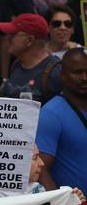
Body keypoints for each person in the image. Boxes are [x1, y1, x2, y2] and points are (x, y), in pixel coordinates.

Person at [36, 48, 87, 195]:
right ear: (63, 75)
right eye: (77, 72)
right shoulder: (50, 114)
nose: (84, 77)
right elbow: (41, 169)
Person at [0, 13, 62, 103]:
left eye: (13, 34)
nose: (8, 38)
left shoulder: (55, 73)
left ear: (29, 40)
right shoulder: (17, 64)